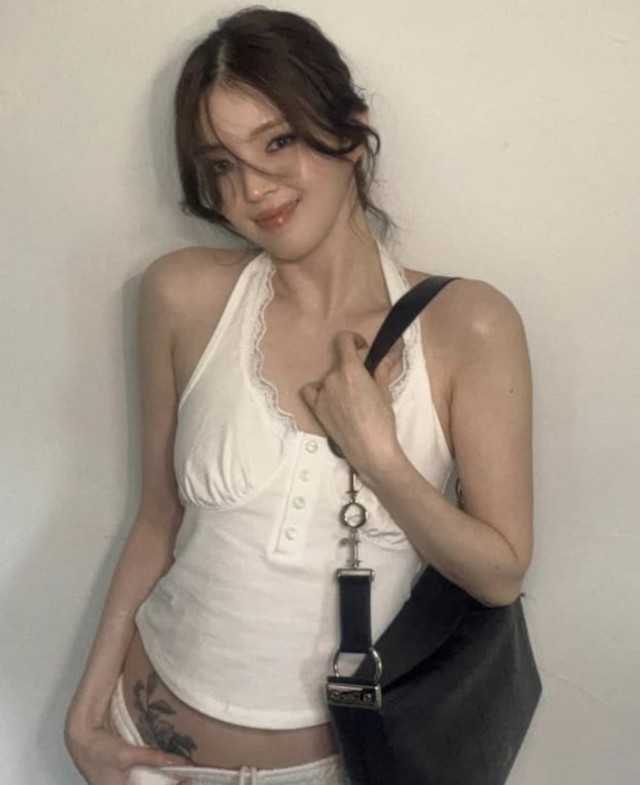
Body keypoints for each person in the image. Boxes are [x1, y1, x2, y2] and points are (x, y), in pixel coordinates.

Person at [64, 7, 534, 785]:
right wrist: (83, 719)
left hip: (334, 767)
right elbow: (156, 517)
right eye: (221, 165)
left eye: (277, 141)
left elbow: (500, 573)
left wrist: (381, 459)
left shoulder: (468, 324)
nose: (253, 188)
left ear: (351, 130)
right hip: (145, 747)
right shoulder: (182, 295)